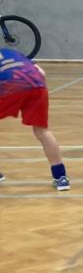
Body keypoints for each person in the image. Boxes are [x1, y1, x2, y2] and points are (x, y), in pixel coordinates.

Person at [0, 47, 69, 190]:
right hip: (37, 85)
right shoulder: (14, 53)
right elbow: (42, 72)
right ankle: (61, 177)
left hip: (10, 85)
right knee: (42, 131)